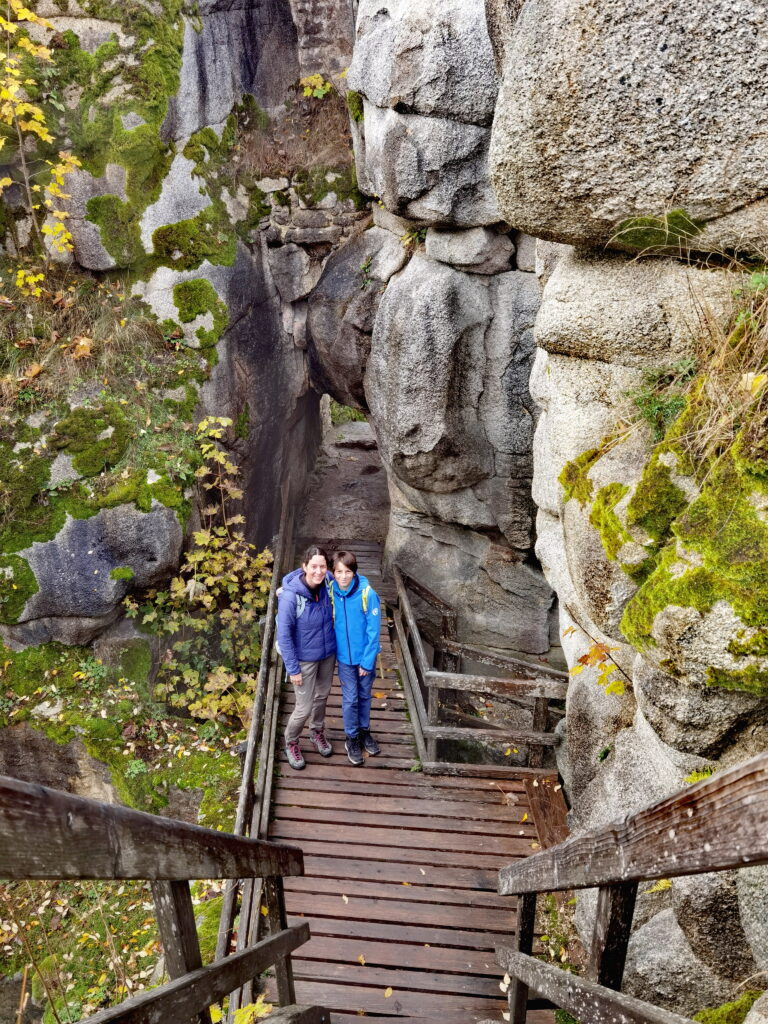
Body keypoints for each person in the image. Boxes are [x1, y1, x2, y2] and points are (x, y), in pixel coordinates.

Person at [277, 545, 336, 771]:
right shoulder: (291, 597)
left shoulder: (328, 583)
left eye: (322, 566)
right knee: (304, 706)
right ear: (304, 567)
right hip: (304, 660)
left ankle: (317, 731)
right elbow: (283, 635)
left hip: (327, 653)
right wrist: (292, 669)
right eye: (314, 566)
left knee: (322, 696)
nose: (319, 571)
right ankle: (291, 742)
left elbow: (349, 576)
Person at [331, 550, 382, 766]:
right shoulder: (329, 590)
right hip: (344, 659)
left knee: (364, 696)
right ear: (333, 573)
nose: (343, 577)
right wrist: (283, 588)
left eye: (348, 572)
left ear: (354, 572)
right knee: (350, 698)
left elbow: (374, 630)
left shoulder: (367, 594)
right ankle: (351, 737)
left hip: (364, 659)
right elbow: (304, 573)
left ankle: (364, 731)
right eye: (339, 572)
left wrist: (367, 661)